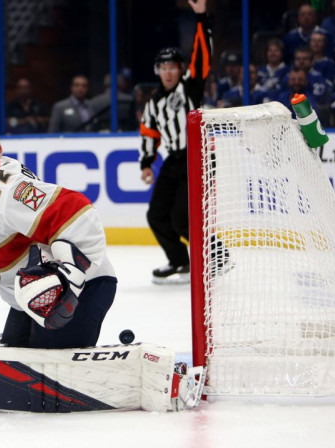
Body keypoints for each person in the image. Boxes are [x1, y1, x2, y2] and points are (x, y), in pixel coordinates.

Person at [0, 122, 204, 412]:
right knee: (13, 360)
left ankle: (154, 375)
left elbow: (79, 213)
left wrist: (70, 276)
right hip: (30, 296)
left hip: (84, 286)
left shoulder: (5, 191)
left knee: (47, 366)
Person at [139, 0, 212, 284]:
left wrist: (201, 17)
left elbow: (203, 54)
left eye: (173, 66)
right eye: (163, 66)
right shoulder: (154, 102)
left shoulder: (191, 86)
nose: (168, 71)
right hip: (173, 161)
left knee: (182, 218)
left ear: (181, 69)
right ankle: (180, 261)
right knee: (156, 216)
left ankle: (217, 255)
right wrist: (146, 163)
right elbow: (149, 133)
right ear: (157, 70)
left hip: (197, 155)